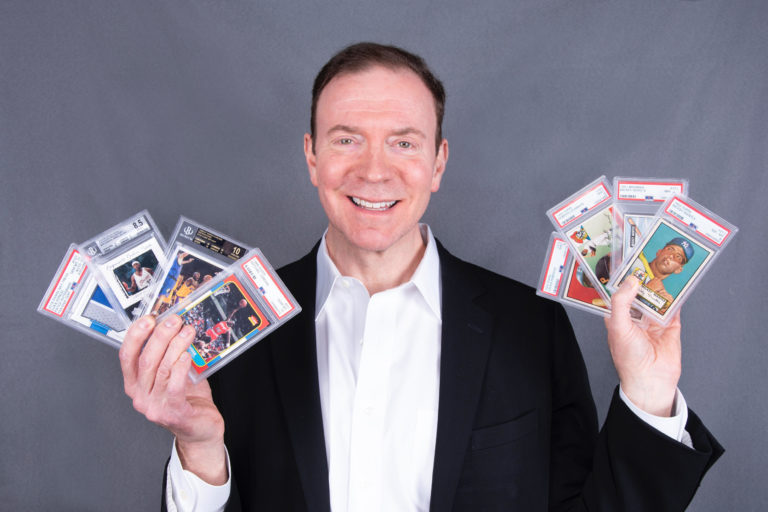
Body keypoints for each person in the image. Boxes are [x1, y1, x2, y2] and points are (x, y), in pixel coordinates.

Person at [119, 43, 721, 511]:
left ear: (437, 163)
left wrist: (650, 395)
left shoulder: (532, 328)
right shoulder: (233, 331)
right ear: (311, 157)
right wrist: (198, 447)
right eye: (346, 139)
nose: (374, 171)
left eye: (404, 144)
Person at [628, 237, 694, 312]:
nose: (671, 256)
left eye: (678, 256)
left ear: (678, 269)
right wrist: (645, 292)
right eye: (670, 249)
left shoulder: (662, 299)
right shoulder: (634, 262)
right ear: (659, 252)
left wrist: (663, 312)